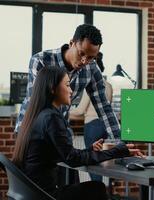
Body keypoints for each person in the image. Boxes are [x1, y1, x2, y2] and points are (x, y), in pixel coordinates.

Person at [12, 67, 142, 200]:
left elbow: (67, 154)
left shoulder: (37, 115)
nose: (71, 90)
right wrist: (117, 151)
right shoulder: (51, 117)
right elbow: (73, 159)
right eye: (67, 85)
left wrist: (90, 150)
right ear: (52, 88)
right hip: (44, 195)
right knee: (97, 188)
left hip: (31, 193)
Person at [15, 24, 119, 140]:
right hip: (32, 127)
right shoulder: (41, 60)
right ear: (71, 43)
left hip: (59, 130)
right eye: (81, 53)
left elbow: (104, 108)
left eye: (90, 57)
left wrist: (121, 143)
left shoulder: (91, 68)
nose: (84, 61)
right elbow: (42, 103)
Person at [70, 52, 112, 181]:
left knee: (92, 165)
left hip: (92, 126)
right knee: (101, 163)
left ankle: (97, 193)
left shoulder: (90, 85)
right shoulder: (108, 86)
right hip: (104, 126)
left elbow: (80, 110)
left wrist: (65, 111)